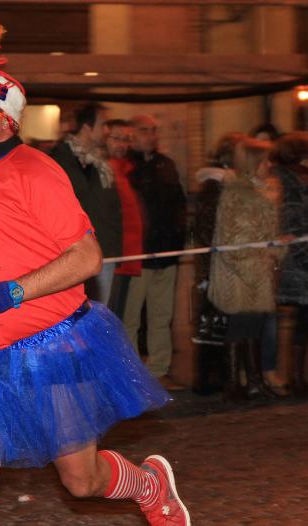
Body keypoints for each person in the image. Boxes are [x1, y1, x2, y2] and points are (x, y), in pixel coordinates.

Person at [0, 25, 187, 526]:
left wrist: (14, 292)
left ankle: (149, 484)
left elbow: (87, 257)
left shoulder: (33, 169)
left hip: (50, 344)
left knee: (82, 480)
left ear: (5, 121)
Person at [208, 138, 283, 401]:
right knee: (240, 327)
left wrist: (277, 250)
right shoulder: (238, 194)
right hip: (241, 275)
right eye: (265, 161)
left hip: (257, 271)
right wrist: (256, 272)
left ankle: (254, 381)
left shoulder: (259, 191)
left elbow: (265, 233)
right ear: (254, 163)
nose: (269, 165)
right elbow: (234, 241)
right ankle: (233, 384)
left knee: (254, 326)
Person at [123, 115, 188, 391]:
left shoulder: (166, 165)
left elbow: (179, 203)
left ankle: (159, 369)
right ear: (131, 134)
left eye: (153, 131)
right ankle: (132, 374)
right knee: (131, 317)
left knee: (162, 315)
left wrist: (179, 238)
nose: (151, 136)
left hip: (166, 250)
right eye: (144, 131)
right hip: (138, 255)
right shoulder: (125, 166)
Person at [271, 132, 308, 397]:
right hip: (300, 261)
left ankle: (297, 377)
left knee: (305, 320)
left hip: (307, 258)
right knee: (302, 318)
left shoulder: (302, 178)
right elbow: (291, 221)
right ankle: (294, 378)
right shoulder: (292, 181)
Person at [49, 104, 123, 304]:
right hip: (71, 252)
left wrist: (114, 249)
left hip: (103, 251)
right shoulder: (59, 160)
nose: (107, 131)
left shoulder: (100, 164)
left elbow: (111, 208)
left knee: (100, 311)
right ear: (87, 128)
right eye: (103, 125)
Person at [190, 132, 244, 395]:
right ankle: (210, 378)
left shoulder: (228, 185)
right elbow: (209, 229)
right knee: (213, 325)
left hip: (222, 265)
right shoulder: (215, 187)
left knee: (219, 323)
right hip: (217, 266)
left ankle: (220, 375)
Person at [105, 118, 142, 325]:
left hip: (127, 256)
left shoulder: (125, 171)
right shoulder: (105, 172)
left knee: (118, 317)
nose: (122, 145)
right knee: (108, 318)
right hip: (113, 257)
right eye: (116, 138)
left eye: (126, 140)